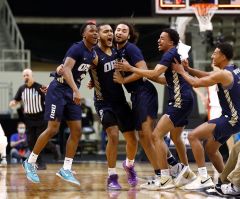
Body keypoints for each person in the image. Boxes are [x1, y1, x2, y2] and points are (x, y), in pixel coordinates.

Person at [115, 28, 196, 189]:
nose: (158, 41)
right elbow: (161, 78)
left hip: (178, 99)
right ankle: (184, 171)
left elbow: (153, 72)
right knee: (172, 136)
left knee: (154, 135)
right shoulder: (171, 55)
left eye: (162, 38)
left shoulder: (165, 53)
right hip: (182, 99)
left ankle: (164, 177)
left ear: (171, 42)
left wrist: (131, 69)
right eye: (158, 38)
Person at [22, 22, 98, 185]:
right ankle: (30, 162)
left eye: (97, 31)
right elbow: (65, 70)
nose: (96, 33)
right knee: (53, 129)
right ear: (84, 35)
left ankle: (66, 168)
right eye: (92, 31)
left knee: (76, 130)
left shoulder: (93, 54)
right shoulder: (76, 48)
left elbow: (89, 69)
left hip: (69, 91)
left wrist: (91, 80)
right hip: (59, 91)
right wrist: (76, 91)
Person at [172, 42, 240, 190]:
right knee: (210, 148)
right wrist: (188, 69)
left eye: (215, 53)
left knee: (193, 136)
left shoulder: (224, 73)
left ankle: (203, 178)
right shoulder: (232, 69)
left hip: (232, 119)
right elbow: (208, 75)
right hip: (234, 118)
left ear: (222, 56)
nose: (212, 56)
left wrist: (182, 72)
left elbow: (196, 83)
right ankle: (224, 182)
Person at [89, 23, 138, 189]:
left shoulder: (117, 52)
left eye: (111, 31)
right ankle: (112, 176)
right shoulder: (93, 53)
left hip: (120, 101)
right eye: (106, 31)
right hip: (103, 102)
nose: (110, 34)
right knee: (114, 135)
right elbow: (79, 67)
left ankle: (129, 165)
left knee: (132, 139)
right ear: (98, 35)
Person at [9, 68, 60, 169]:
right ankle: (53, 148)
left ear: (32, 76)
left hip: (41, 117)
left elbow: (48, 99)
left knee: (39, 140)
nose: (26, 77)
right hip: (28, 118)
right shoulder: (22, 89)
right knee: (31, 141)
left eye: (27, 75)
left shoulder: (39, 87)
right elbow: (16, 100)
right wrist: (13, 102)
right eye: (24, 76)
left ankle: (42, 163)